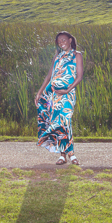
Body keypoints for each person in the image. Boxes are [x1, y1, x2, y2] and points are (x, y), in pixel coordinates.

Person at [35, 31, 83, 165]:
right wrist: (40, 93)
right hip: (54, 95)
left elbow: (79, 76)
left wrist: (68, 89)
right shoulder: (57, 56)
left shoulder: (77, 55)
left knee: (65, 121)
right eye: (59, 41)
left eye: (63, 40)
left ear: (70, 40)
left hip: (68, 94)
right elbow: (49, 76)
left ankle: (70, 155)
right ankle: (64, 156)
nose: (61, 43)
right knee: (59, 123)